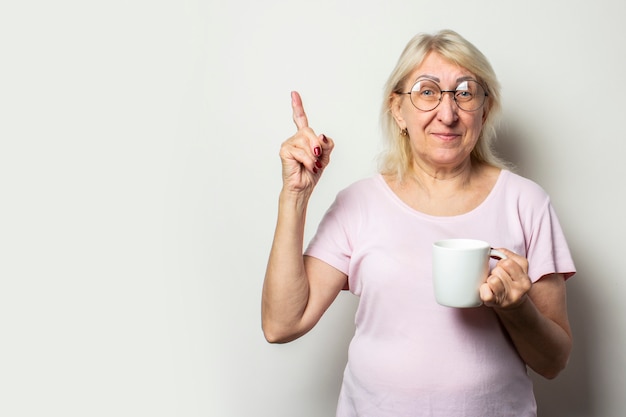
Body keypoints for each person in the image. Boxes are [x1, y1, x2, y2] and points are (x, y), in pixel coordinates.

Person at [261, 29, 575, 417]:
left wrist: (515, 309)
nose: (448, 113)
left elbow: (554, 362)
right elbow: (281, 324)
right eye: (427, 91)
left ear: (484, 109)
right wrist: (295, 195)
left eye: (465, 92)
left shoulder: (526, 202)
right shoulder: (359, 203)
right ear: (398, 109)